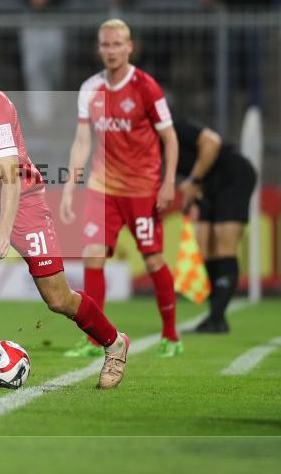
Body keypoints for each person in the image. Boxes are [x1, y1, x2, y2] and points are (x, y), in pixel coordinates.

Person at [0, 41, 130, 389]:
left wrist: (4, 230)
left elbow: (11, 177)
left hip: (24, 205)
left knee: (58, 299)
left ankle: (114, 344)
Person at [59, 19, 181, 359]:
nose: (111, 50)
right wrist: (70, 185)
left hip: (142, 189)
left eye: (117, 44)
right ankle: (96, 338)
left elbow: (169, 138)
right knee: (92, 255)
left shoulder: (146, 87)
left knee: (154, 259)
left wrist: (168, 182)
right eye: (105, 45)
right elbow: (83, 140)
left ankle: (171, 334)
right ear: (98, 48)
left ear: (129, 47)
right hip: (103, 188)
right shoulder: (89, 88)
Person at [173, 114, 257, 333]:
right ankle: (216, 317)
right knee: (205, 246)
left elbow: (212, 143)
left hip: (233, 177)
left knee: (223, 243)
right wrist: (194, 193)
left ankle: (217, 318)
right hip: (208, 186)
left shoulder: (174, 125)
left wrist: (194, 180)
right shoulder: (152, 142)